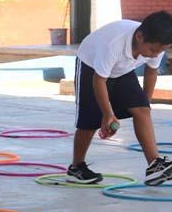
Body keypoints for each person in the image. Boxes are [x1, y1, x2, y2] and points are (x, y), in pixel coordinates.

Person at [68, 11, 172, 186]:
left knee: (142, 110)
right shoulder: (113, 44)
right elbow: (99, 79)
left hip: (122, 70)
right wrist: (107, 114)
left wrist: (144, 102)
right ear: (139, 36)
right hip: (91, 65)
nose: (156, 55)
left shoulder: (156, 44)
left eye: (160, 50)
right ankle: (76, 166)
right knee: (90, 120)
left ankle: (154, 165)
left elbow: (151, 71)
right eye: (153, 50)